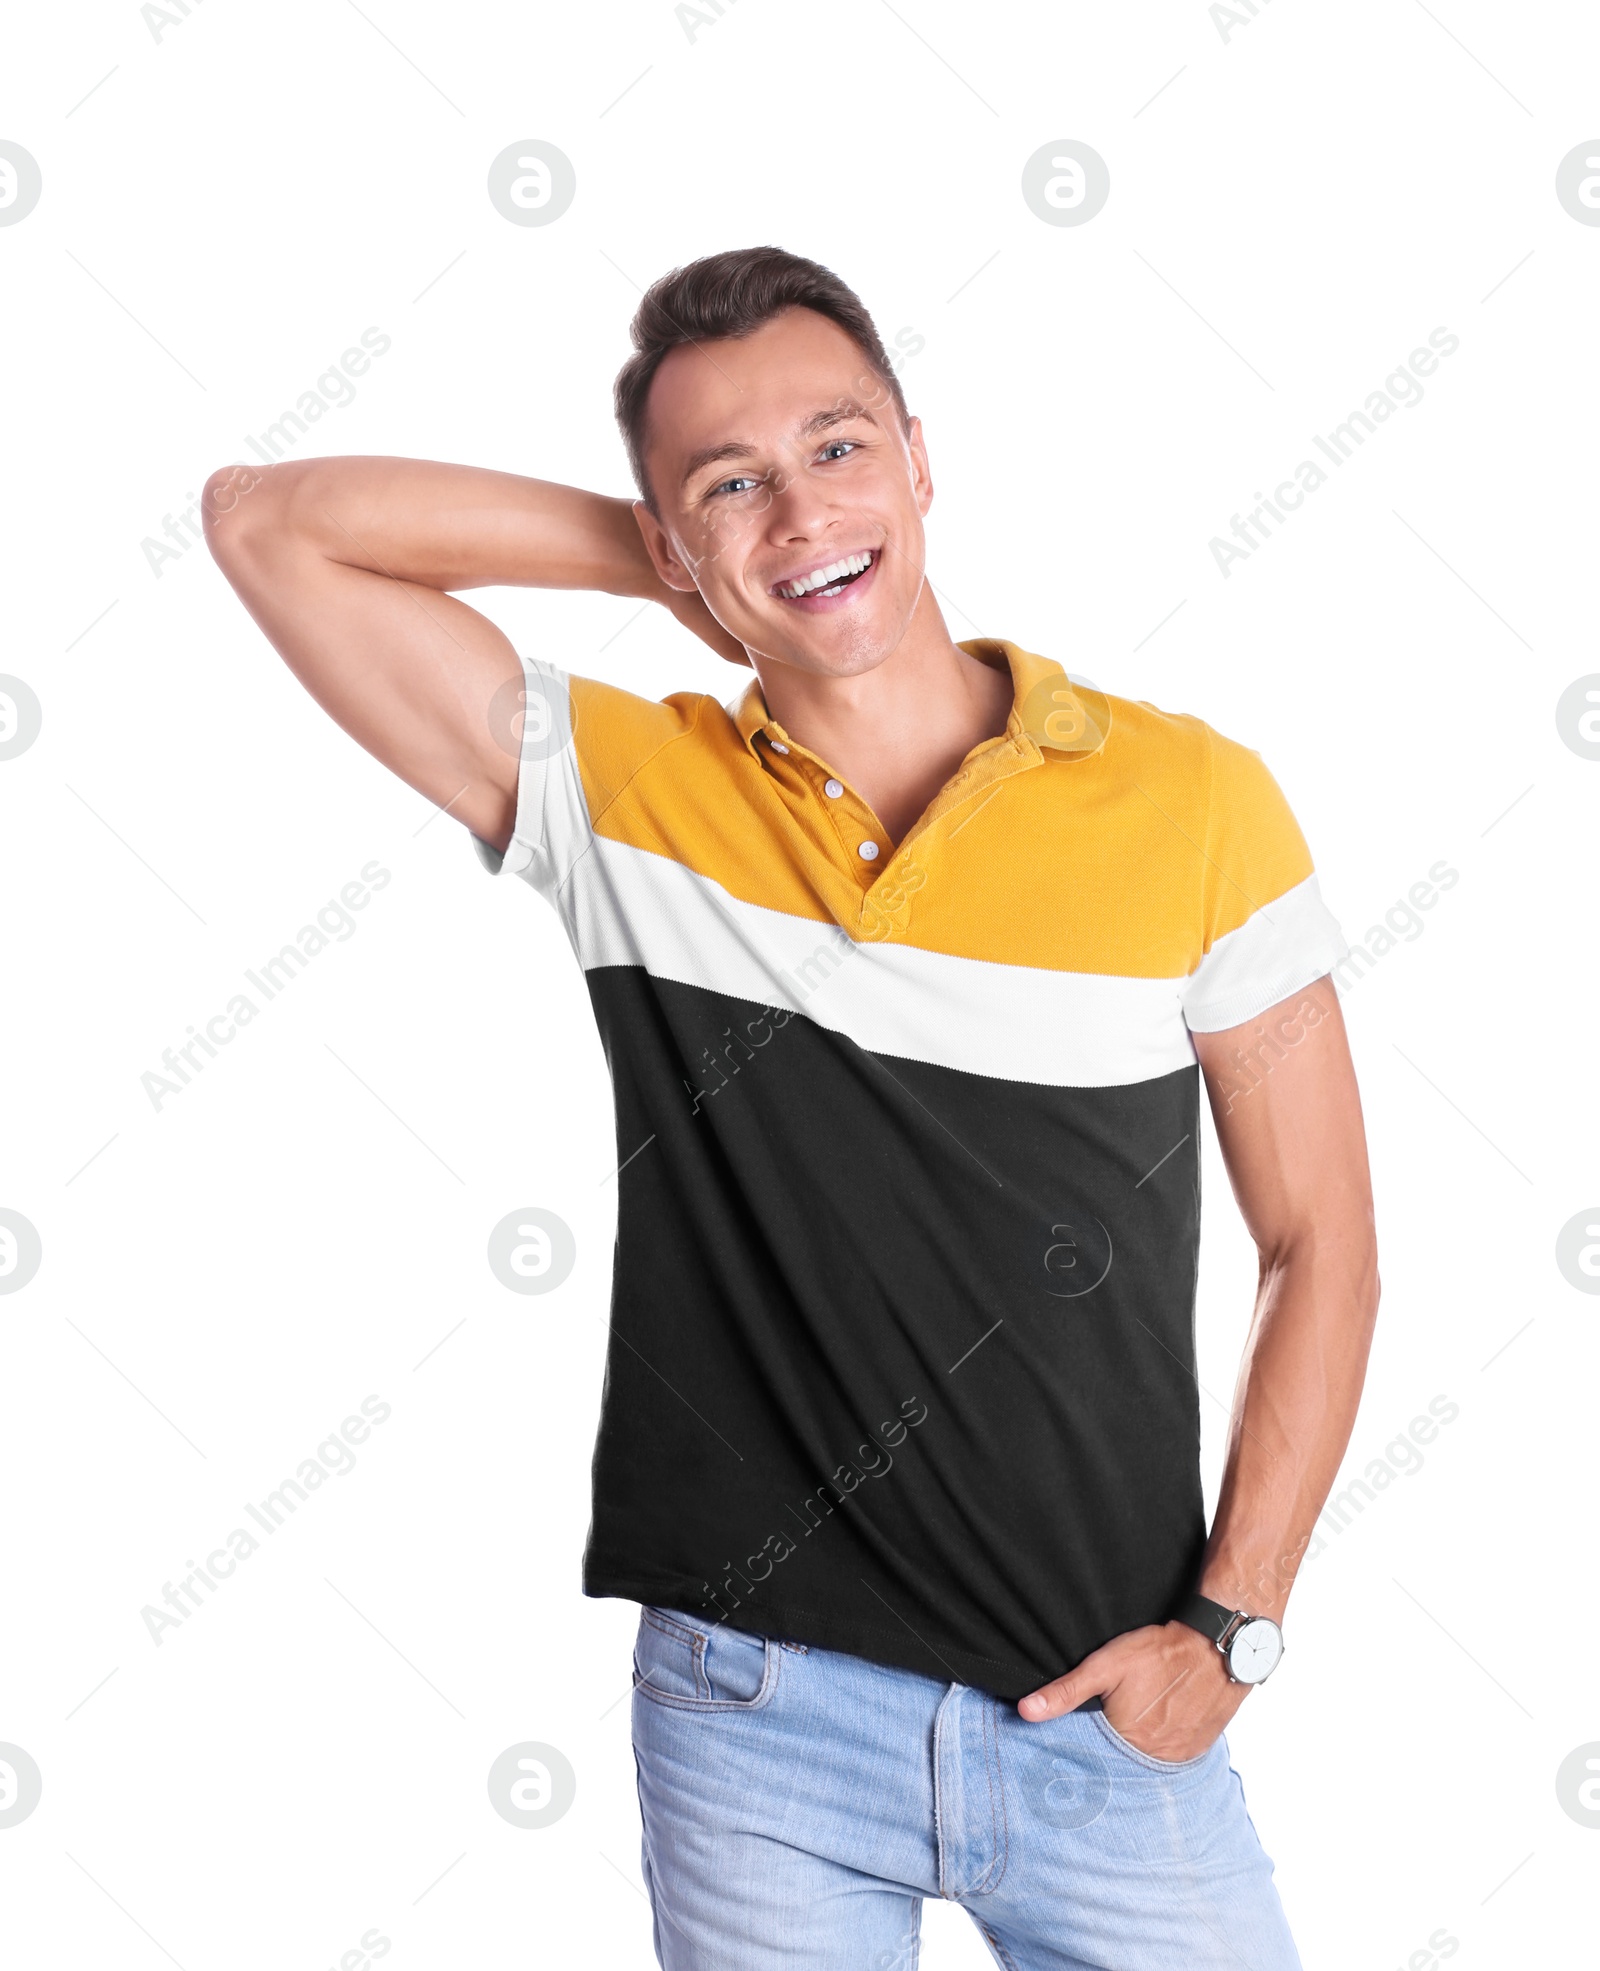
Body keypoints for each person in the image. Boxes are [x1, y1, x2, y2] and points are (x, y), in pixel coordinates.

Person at [204, 245, 1380, 1971]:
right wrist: (692, 558)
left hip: (1108, 1713)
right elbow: (263, 522)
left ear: (921, 455)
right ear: (673, 542)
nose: (804, 510)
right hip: (755, 1716)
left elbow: (1322, 1243)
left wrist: (1237, 1625)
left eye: (838, 451)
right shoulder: (626, 795)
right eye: (729, 484)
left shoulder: (1193, 802)